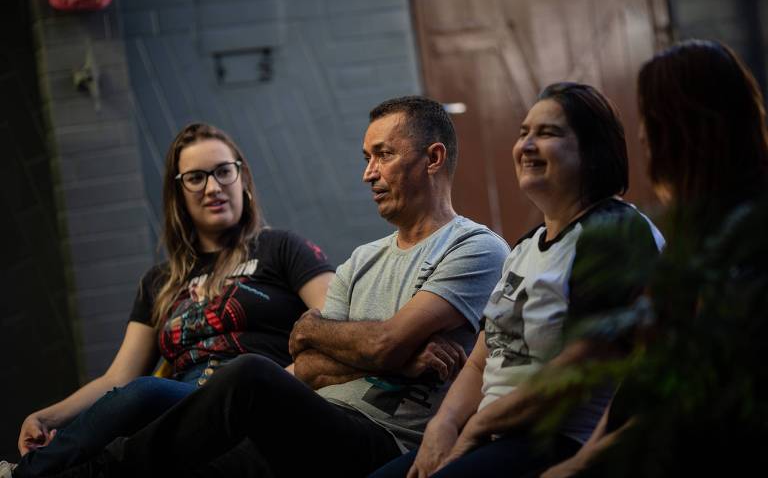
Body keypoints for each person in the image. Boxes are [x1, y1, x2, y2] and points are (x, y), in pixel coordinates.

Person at [37, 96, 510, 478]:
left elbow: (378, 341)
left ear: (433, 158)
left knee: (246, 374)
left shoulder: (474, 247)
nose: (368, 173)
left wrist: (372, 346)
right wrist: (381, 352)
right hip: (302, 422)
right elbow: (304, 353)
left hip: (377, 436)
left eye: (382, 155)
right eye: (366, 158)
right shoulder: (364, 259)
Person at [3, 123, 335, 478]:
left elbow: (336, 325)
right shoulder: (158, 282)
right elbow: (116, 378)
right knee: (127, 425)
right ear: (178, 192)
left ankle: (22, 475)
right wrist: (44, 417)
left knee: (140, 398)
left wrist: (275, 384)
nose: (213, 187)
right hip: (182, 408)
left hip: (257, 399)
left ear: (243, 179)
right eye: (196, 177)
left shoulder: (281, 247)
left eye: (224, 172)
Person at [369, 82, 665, 478]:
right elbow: (480, 360)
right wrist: (444, 425)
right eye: (523, 132)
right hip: (496, 433)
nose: (526, 145)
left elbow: (579, 369)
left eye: (547, 133)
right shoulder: (527, 245)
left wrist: (477, 426)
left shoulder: (614, 231)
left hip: (559, 440)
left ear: (592, 150)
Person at [539, 40, 768, 477]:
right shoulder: (694, 233)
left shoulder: (746, 239)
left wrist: (587, 464)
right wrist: (586, 456)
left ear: (684, 128)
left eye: (649, 120)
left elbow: (692, 402)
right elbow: (643, 378)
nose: (642, 136)